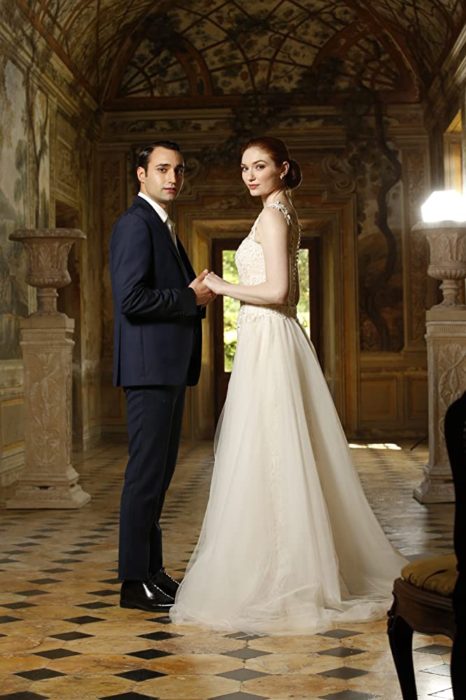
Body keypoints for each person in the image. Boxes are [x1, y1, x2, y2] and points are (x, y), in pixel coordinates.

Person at [170, 136, 407, 634]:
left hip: (271, 339)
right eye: (243, 168)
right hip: (262, 341)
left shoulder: (275, 215)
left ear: (282, 168)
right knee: (265, 451)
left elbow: (281, 292)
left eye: (259, 166)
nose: (250, 175)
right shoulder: (278, 210)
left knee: (275, 449)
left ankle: (289, 574)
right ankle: (275, 561)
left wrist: (219, 286)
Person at [110, 141, 215, 613]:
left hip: (167, 369)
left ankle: (152, 572)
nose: (173, 177)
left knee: (159, 476)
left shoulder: (162, 224)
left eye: (179, 169)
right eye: (162, 169)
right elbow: (131, 299)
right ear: (141, 174)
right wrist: (188, 298)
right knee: (145, 477)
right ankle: (133, 583)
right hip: (149, 370)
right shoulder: (135, 224)